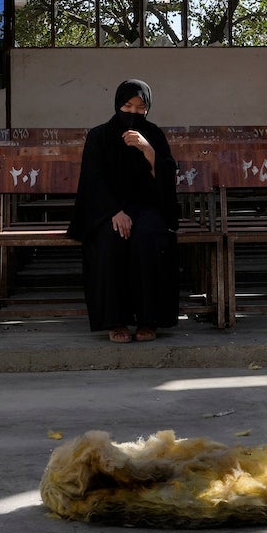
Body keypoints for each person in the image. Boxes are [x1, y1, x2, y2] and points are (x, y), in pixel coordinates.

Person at [67, 78, 180, 343]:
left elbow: (165, 177)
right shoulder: (99, 136)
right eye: (127, 106)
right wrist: (114, 211)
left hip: (147, 207)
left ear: (148, 108)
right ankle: (114, 321)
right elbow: (93, 180)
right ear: (118, 104)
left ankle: (148, 320)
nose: (133, 112)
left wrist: (147, 149)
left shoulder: (154, 134)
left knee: (149, 240)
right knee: (109, 241)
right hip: (109, 210)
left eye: (140, 107)